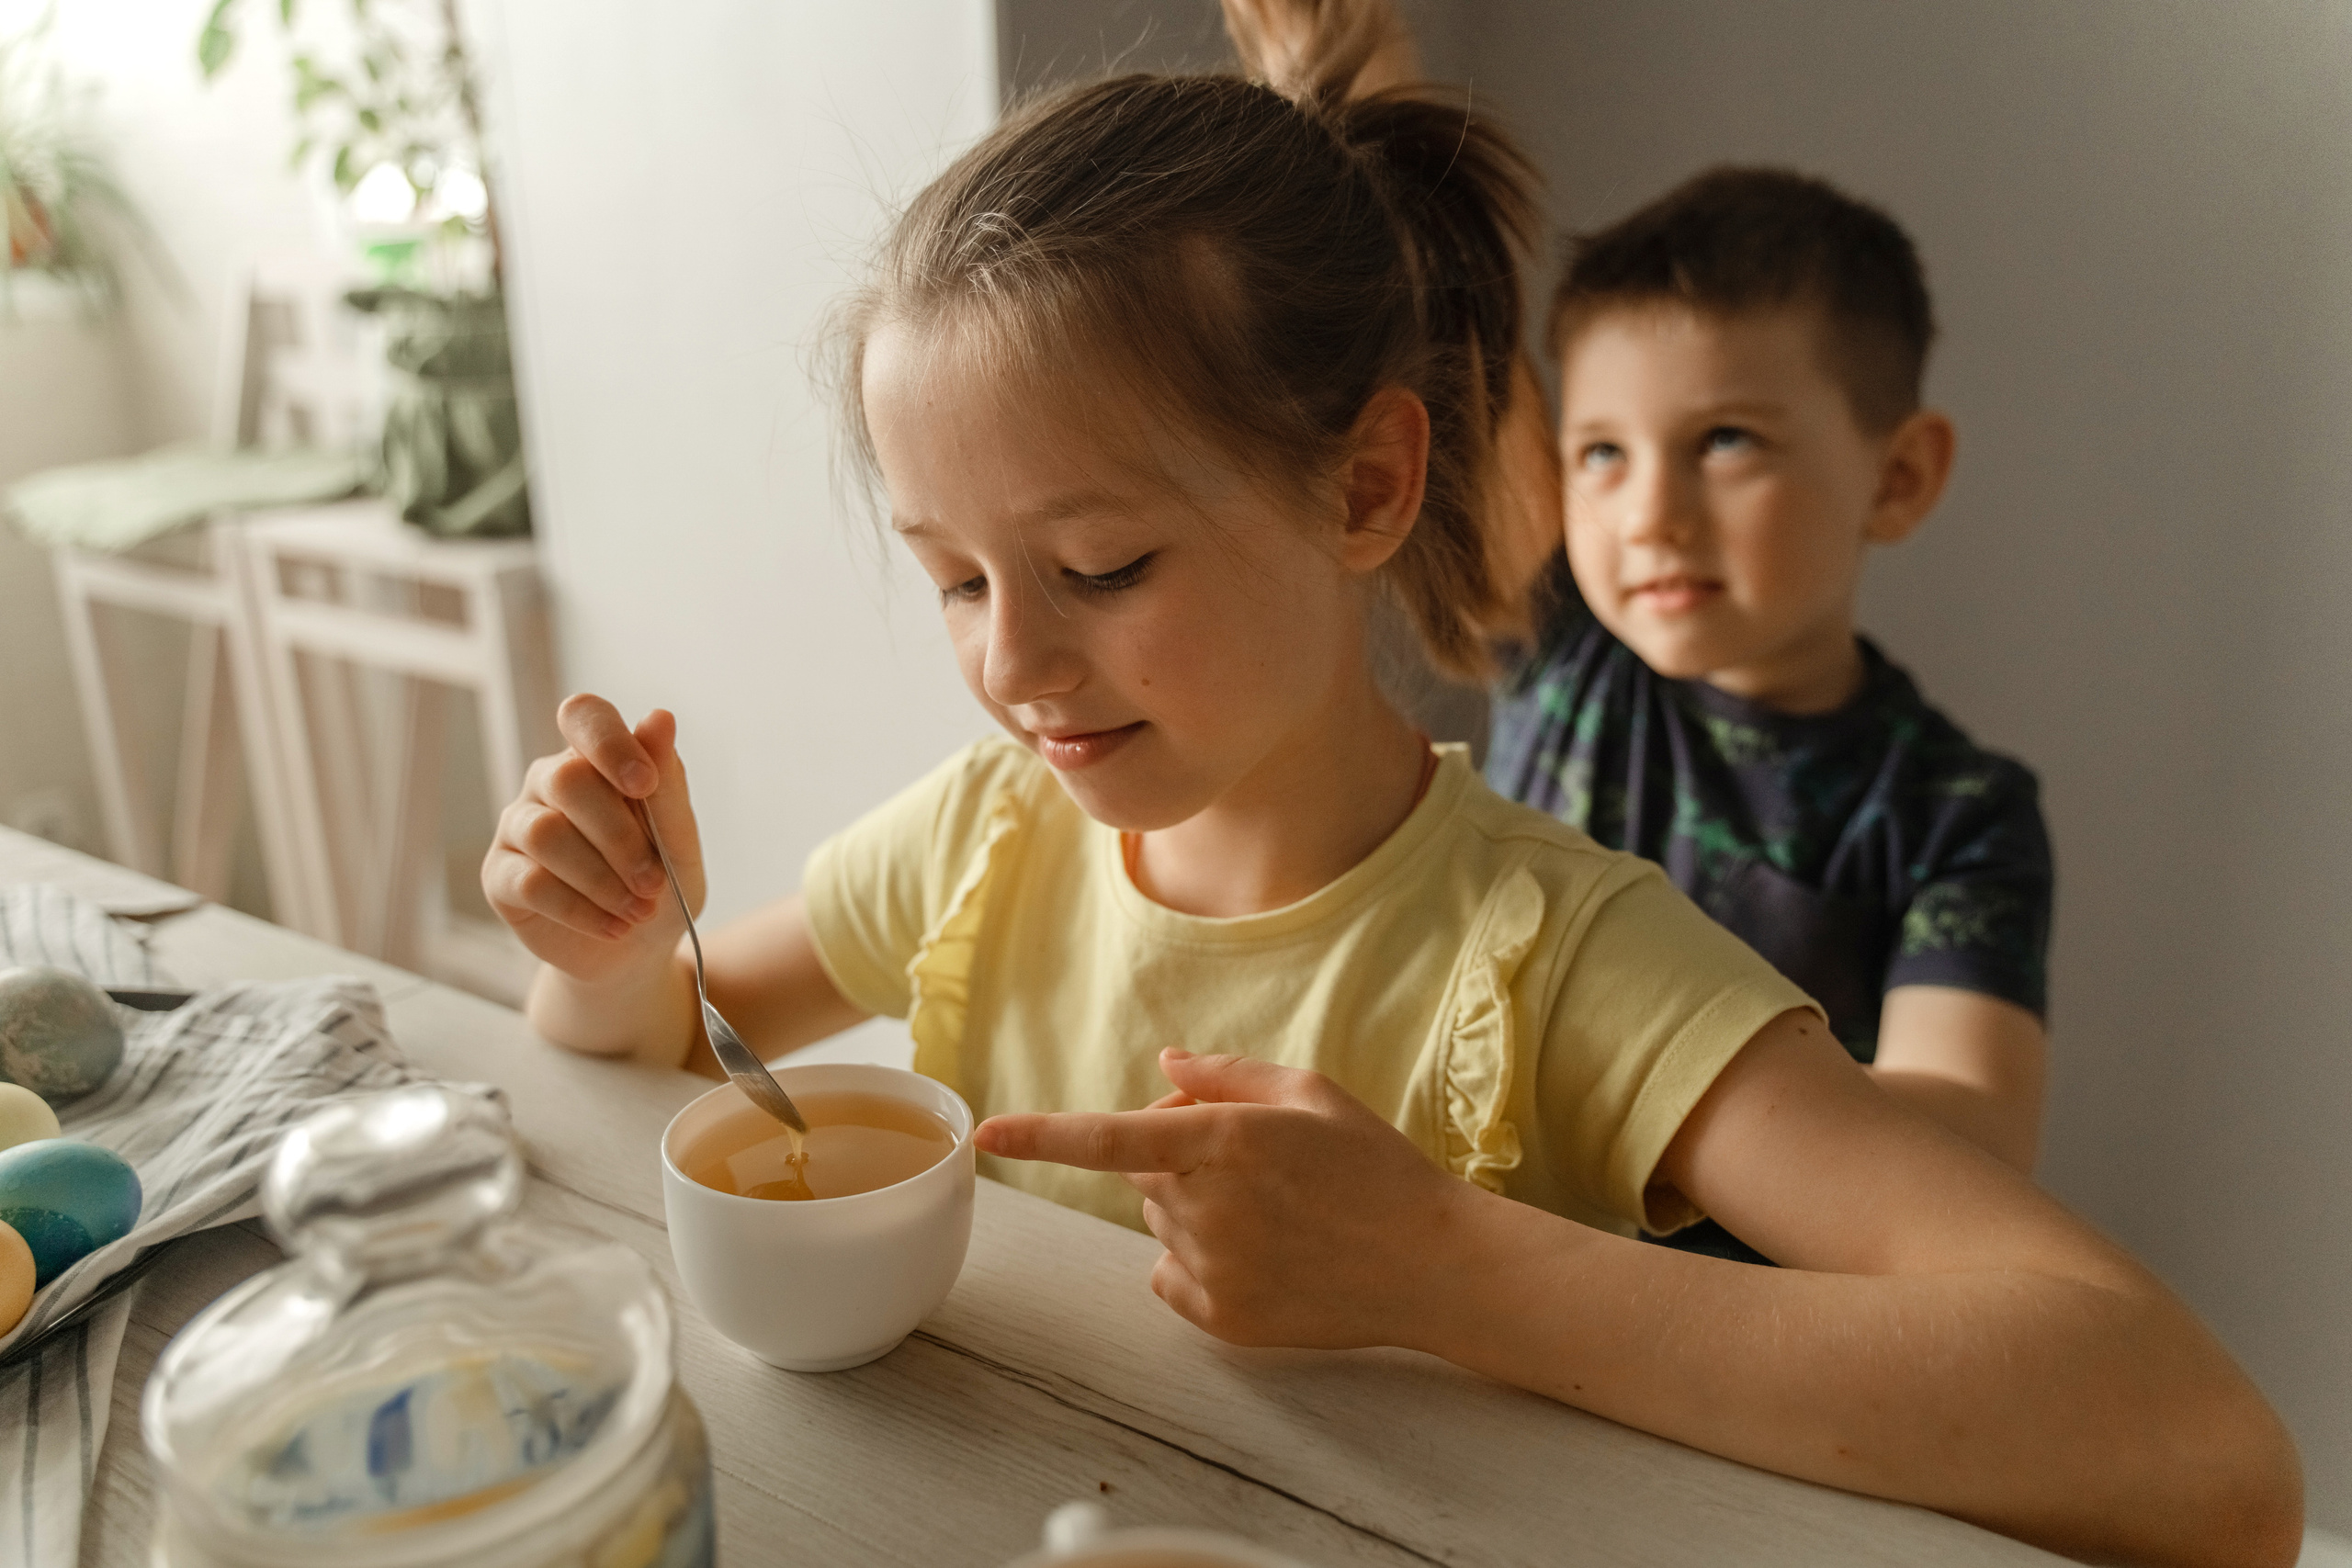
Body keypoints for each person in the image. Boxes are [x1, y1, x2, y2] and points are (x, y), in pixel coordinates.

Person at [480, 14, 2301, 1564]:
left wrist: (1442, 1264)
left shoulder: (1560, 959)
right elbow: (644, 1050)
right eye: (956, 575)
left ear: (1364, 492)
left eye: (1101, 564)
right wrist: (618, 937)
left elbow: (2195, 1450)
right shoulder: (979, 839)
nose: (1011, 665)